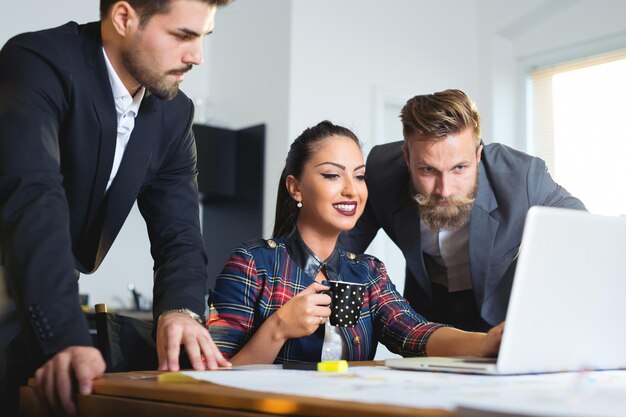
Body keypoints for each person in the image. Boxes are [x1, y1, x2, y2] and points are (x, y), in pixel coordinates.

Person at [0, 1, 233, 415]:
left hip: (47, 294)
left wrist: (180, 310)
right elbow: (34, 198)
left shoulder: (174, 113)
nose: (197, 56)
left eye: (203, 38)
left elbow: (179, 231)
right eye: (182, 36)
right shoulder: (37, 62)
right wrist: (68, 336)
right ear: (124, 18)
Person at [207, 121, 503, 365]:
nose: (351, 190)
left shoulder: (368, 272)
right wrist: (278, 328)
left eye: (360, 177)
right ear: (296, 188)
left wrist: (486, 342)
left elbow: (415, 333)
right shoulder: (253, 263)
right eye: (332, 175)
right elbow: (214, 375)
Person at [341, 89, 585, 332]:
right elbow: (338, 249)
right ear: (406, 158)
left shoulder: (522, 177)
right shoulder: (381, 172)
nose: (444, 190)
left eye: (459, 168)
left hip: (499, 314)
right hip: (426, 316)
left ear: (478, 154)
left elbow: (581, 231)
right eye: (428, 170)